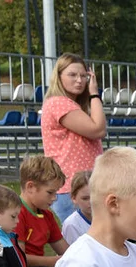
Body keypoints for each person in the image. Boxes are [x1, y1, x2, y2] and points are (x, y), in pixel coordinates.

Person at [41, 52, 105, 223]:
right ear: (59, 76)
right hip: (71, 186)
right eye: (72, 75)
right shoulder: (59, 103)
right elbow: (98, 129)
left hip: (80, 185)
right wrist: (94, 94)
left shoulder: (70, 104)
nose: (79, 80)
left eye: (84, 76)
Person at [16, 154, 67, 267]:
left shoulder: (47, 216)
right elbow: (19, 258)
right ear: (30, 187)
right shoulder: (17, 214)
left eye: (56, 193)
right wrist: (53, 261)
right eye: (50, 192)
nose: (55, 198)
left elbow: (64, 249)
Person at [61, 171, 92, 246]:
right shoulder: (72, 225)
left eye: (96, 196)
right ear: (74, 198)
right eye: (85, 198)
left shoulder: (111, 216)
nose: (91, 202)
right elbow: (75, 255)